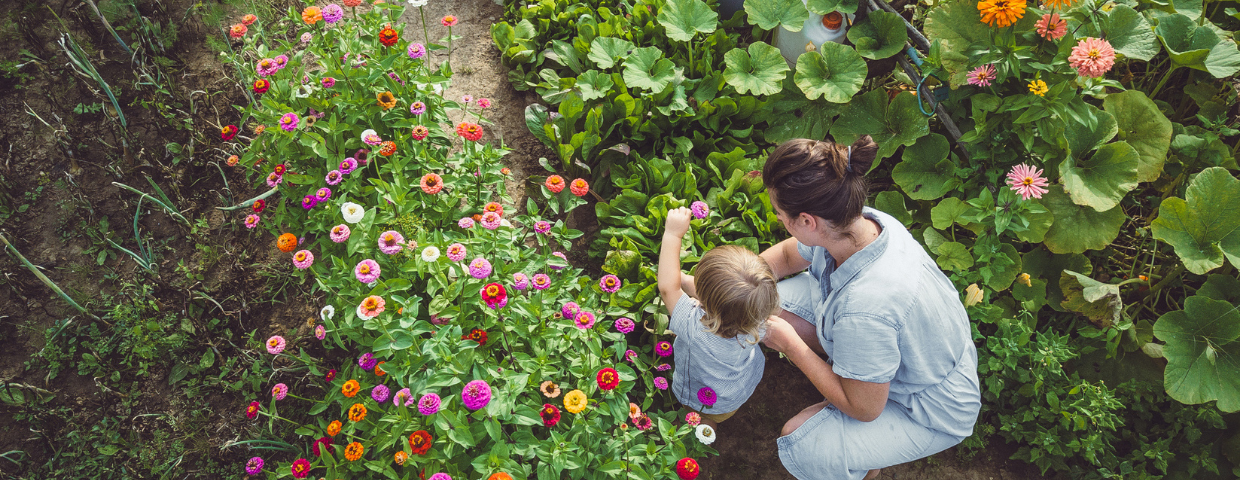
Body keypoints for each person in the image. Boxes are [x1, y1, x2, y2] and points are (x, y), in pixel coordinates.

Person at [757, 136, 981, 480]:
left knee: (802, 442)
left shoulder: (865, 309)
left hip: (928, 406)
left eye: (779, 213)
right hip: (911, 351)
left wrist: (791, 345)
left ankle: (861, 468)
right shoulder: (857, 224)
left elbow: (864, 409)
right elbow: (787, 256)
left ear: (806, 221)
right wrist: (736, 281)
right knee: (767, 302)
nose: (777, 218)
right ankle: (860, 400)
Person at [657, 207, 780, 425]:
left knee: (699, 418)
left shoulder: (694, 327)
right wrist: (686, 282)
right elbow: (726, 303)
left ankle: (701, 436)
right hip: (737, 390)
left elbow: (668, 287)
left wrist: (673, 234)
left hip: (704, 398)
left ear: (705, 302)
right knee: (716, 414)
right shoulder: (758, 318)